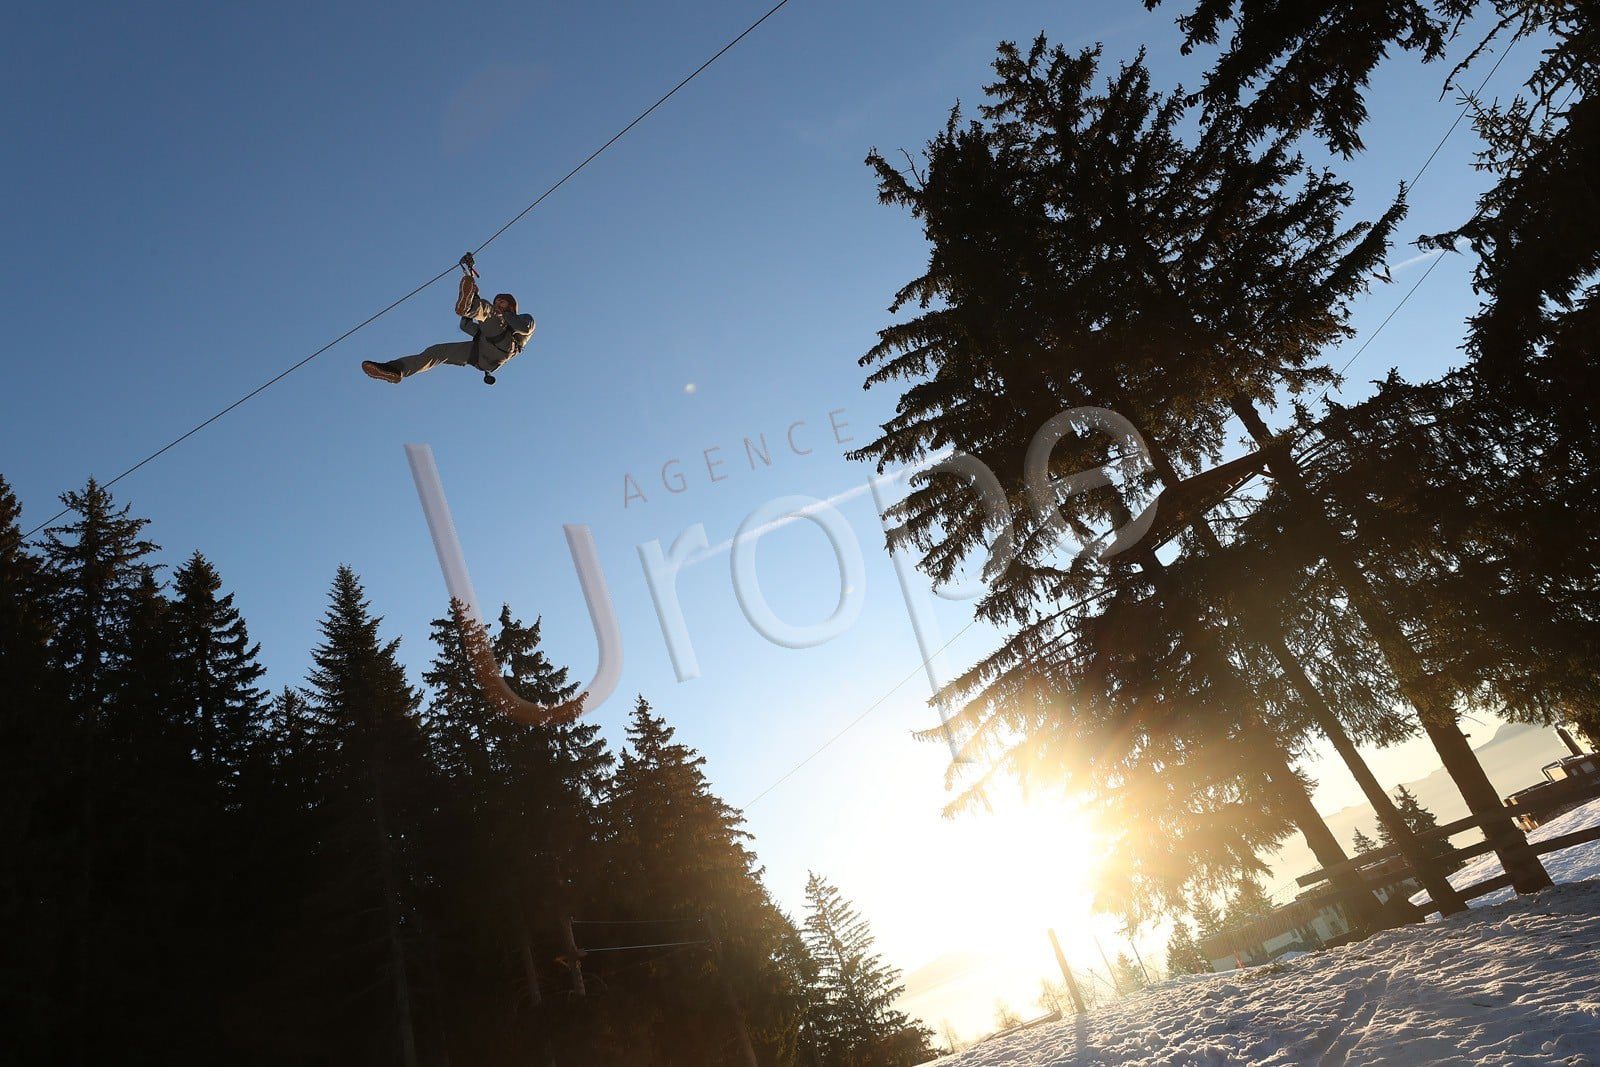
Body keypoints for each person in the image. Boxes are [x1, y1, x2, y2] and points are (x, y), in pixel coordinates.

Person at [363, 288, 534, 384]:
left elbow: (524, 328)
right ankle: (395, 369)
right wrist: (472, 300)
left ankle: (471, 306)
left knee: (487, 313)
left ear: (511, 306)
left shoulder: (522, 319)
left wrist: (502, 313)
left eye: (502, 302)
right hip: (480, 353)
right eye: (497, 302)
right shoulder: (490, 325)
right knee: (437, 352)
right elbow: (465, 326)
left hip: (503, 348)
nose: (498, 304)